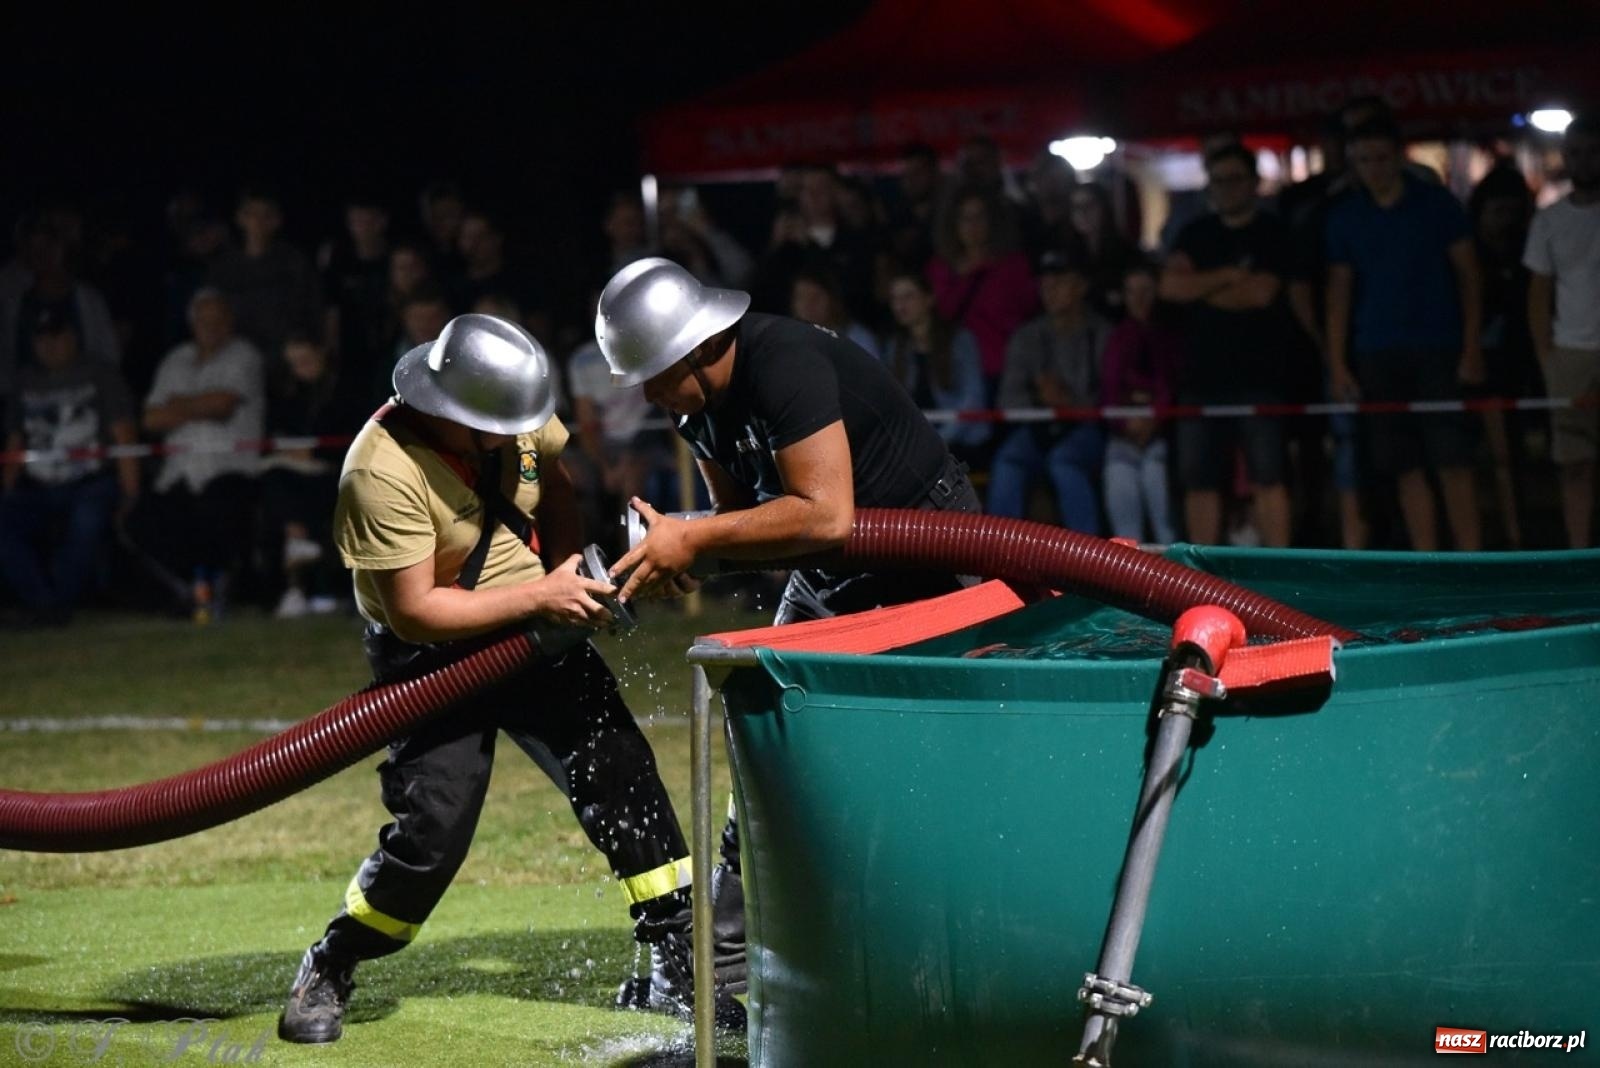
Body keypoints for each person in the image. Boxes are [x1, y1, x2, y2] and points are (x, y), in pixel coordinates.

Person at [276, 313, 714, 1044]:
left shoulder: (511, 410)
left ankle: (677, 961)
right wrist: (542, 599)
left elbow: (563, 491)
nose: (519, 435)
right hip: (436, 658)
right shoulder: (379, 471)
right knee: (432, 833)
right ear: (448, 411)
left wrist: (570, 575)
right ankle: (335, 959)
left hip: (542, 626)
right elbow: (415, 612)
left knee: (622, 775)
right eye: (499, 428)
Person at [595, 257, 983, 998]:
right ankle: (724, 953)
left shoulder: (783, 362)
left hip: (930, 549)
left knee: (948, 744)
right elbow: (746, 525)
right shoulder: (692, 403)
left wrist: (698, 538)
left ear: (698, 348)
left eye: (652, 373)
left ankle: (951, 924)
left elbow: (826, 511)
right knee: (766, 725)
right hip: (830, 562)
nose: (646, 394)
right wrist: (680, 553)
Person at [1326, 119, 1484, 552]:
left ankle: (1472, 561)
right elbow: (1338, 293)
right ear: (1352, 164)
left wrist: (1472, 344)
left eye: (1380, 157)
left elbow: (1470, 275)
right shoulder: (1346, 217)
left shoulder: (1436, 204)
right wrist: (1338, 363)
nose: (1373, 168)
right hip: (1376, 351)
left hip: (1438, 347)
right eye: (1362, 161)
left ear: (1399, 156)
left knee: (1453, 459)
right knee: (1403, 465)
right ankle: (1427, 563)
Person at [1162, 142, 1298, 548]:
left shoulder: (1274, 233)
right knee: (1199, 479)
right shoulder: (1194, 232)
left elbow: (1260, 293)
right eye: (1217, 181)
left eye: (1235, 179)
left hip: (1262, 373)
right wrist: (1227, 276)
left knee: (1269, 476)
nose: (1226, 189)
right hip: (1202, 376)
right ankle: (1202, 575)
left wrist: (1200, 287)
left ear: (1254, 182)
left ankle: (1281, 572)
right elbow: (1170, 287)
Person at [0, 307, 140, 624]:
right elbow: (14, 442)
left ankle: (58, 604)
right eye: (42, 338)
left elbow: (124, 434)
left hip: (90, 481)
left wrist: (130, 493)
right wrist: (7, 490)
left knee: (87, 520)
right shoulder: (24, 381)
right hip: (36, 485)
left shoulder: (100, 373)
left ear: (72, 336)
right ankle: (43, 604)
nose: (50, 344)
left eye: (57, 336)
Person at [129, 289, 264, 616]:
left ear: (230, 321)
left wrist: (177, 405)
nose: (211, 327)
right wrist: (200, 404)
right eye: (203, 321)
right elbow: (150, 418)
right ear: (192, 324)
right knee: (141, 519)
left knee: (217, 511)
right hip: (178, 473)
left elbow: (223, 405)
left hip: (230, 470)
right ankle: (189, 589)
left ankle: (219, 587)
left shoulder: (243, 354)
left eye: (218, 320)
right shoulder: (175, 360)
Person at [987, 249, 1110, 532]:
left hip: (1087, 430)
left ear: (1081, 286)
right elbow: (1008, 400)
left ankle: (1088, 561)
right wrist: (1040, 400)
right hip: (1038, 429)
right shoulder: (1026, 336)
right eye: (1044, 284)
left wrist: (1069, 402)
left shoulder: (1103, 334)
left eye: (1059, 282)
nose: (1049, 290)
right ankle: (995, 557)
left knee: (1065, 462)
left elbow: (1111, 399)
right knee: (1008, 461)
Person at [1525, 113, 1600, 548]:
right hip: (1569, 350)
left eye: (1592, 152)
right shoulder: (1550, 220)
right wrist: (1546, 353)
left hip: (1572, 349)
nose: (1584, 161)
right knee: (1574, 462)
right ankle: (1579, 552)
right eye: (1576, 152)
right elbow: (1539, 290)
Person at [1100, 262, 1180, 544]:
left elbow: (1170, 387)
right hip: (1121, 441)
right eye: (1132, 291)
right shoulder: (1116, 339)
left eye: (1145, 291)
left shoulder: (1169, 337)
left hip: (1159, 441)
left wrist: (1152, 420)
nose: (1139, 299)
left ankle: (1173, 583)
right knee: (1126, 533)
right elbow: (1109, 391)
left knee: (1164, 523)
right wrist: (1126, 423)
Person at [882, 268, 990, 467]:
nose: (899, 305)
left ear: (929, 298)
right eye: (895, 299)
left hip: (960, 440)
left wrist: (939, 440)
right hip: (916, 444)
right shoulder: (895, 347)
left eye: (908, 296)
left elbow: (973, 399)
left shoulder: (960, 340)